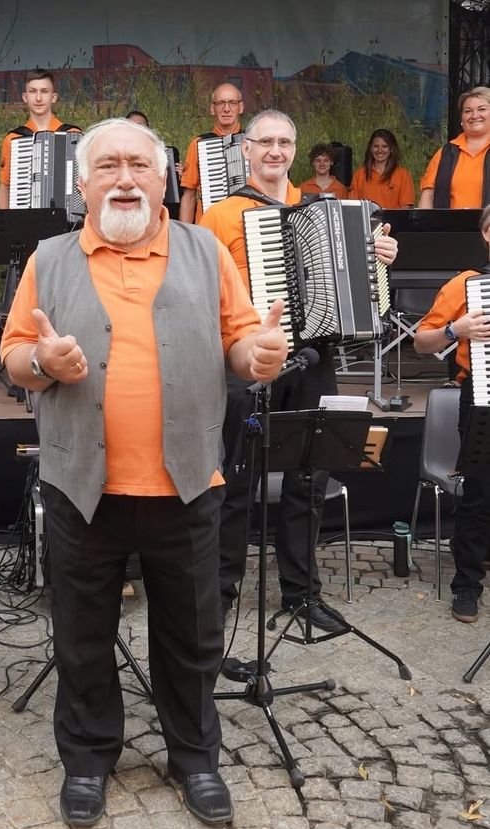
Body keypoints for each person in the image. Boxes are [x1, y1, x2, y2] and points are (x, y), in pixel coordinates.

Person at [1, 117, 288, 828]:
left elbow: (239, 337)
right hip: (80, 487)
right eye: (109, 167)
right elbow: (10, 353)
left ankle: (194, 757)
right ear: (82, 182)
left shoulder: (204, 250)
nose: (125, 178)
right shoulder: (49, 258)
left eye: (140, 165)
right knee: (82, 634)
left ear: (165, 180)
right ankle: (90, 758)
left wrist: (258, 357)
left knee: (192, 638)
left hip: (186, 484)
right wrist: (43, 364)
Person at [199, 110, 398, 631]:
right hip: (247, 363)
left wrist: (378, 256)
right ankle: (220, 593)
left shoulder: (321, 208)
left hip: (314, 357)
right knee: (236, 480)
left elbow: (362, 285)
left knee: (309, 477)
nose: (275, 151)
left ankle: (300, 593)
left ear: (294, 148)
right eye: (265, 141)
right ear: (246, 148)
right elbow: (205, 294)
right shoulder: (219, 216)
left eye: (285, 142)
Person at [414, 203, 490, 623]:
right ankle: (466, 585)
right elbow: (421, 341)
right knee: (478, 492)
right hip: (479, 394)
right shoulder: (466, 284)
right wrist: (455, 331)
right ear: (486, 234)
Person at [0, 69, 80, 209]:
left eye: (44, 91)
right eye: (33, 91)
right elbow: (5, 186)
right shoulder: (14, 139)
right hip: (25, 221)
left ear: (53, 97)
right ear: (25, 97)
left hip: (66, 223)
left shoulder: (73, 134)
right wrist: (8, 224)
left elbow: (85, 184)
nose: (38, 98)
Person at [178, 83, 245, 223]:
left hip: (245, 227)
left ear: (241, 107)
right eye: (220, 103)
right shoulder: (198, 144)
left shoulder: (254, 142)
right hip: (209, 227)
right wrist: (184, 237)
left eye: (232, 102)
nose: (226, 109)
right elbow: (189, 196)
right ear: (212, 109)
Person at [419, 87, 490, 209]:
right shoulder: (444, 154)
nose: (474, 115)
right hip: (449, 227)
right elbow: (428, 196)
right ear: (461, 118)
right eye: (468, 111)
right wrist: (424, 227)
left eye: (482, 109)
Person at [349, 129, 415, 209]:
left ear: (391, 149)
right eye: (376, 146)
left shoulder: (403, 175)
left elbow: (405, 208)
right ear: (370, 148)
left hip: (392, 221)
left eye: (384, 146)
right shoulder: (359, 174)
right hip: (366, 220)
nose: (380, 151)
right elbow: (352, 206)